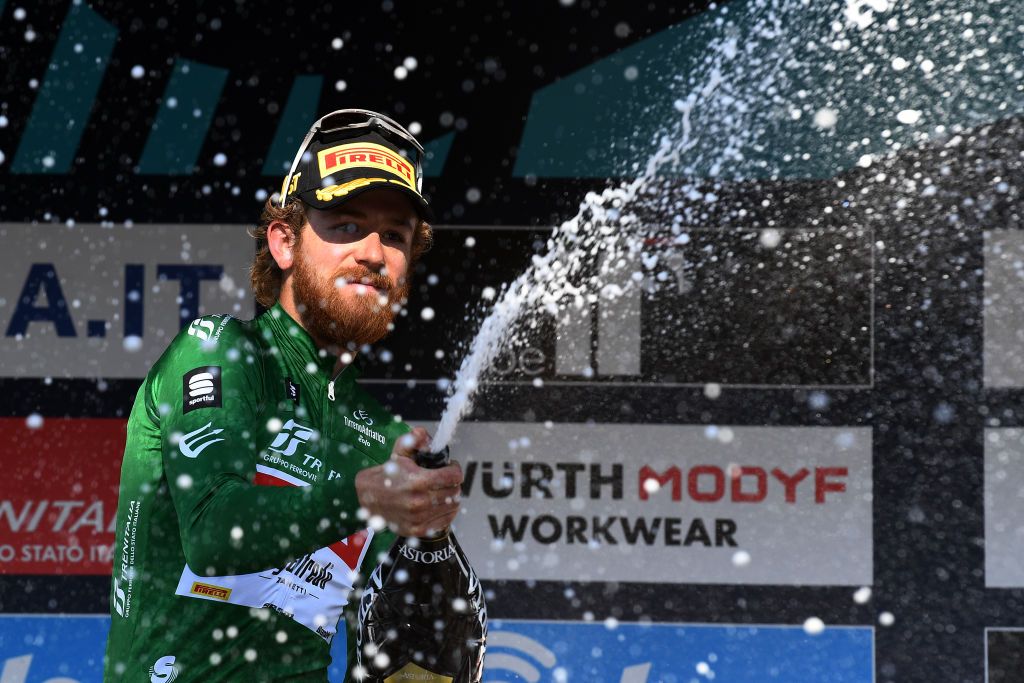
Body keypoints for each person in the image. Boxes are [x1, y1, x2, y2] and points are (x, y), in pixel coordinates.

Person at [104, 109, 464, 682]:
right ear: (284, 242)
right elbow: (215, 537)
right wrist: (363, 498)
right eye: (346, 226)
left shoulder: (385, 439)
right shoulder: (219, 352)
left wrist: (434, 559)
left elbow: (390, 642)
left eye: (394, 236)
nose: (373, 252)